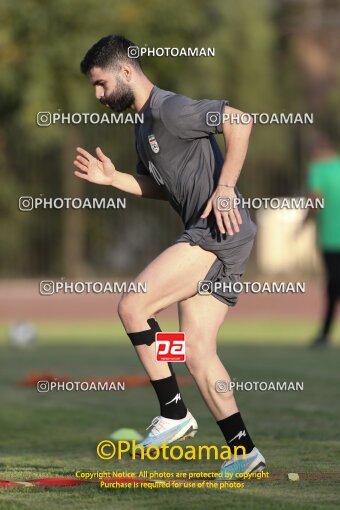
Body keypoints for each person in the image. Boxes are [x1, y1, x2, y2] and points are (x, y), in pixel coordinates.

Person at [74, 35, 265, 478]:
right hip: (220, 236)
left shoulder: (170, 110)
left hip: (216, 233)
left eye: (101, 84)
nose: (98, 95)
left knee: (133, 304)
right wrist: (116, 179)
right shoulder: (143, 126)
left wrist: (225, 188)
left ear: (126, 71)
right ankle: (244, 451)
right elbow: (163, 188)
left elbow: (241, 120)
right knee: (197, 352)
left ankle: (175, 413)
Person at [305, 135, 340, 347]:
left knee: (333, 286)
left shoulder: (317, 169)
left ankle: (325, 334)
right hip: (330, 240)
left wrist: (303, 223)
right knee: (334, 286)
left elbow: (314, 202)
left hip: (330, 240)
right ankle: (324, 334)